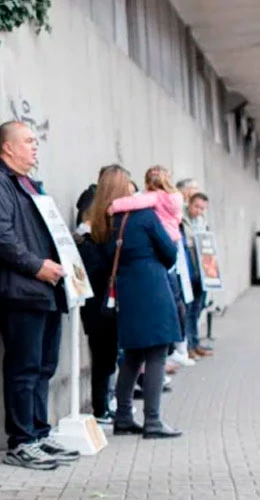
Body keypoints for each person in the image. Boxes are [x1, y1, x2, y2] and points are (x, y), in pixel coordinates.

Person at [0, 121, 77, 470]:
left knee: (44, 366)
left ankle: (39, 434)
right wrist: (36, 266)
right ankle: (21, 441)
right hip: (20, 290)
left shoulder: (27, 183)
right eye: (29, 141)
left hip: (44, 290)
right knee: (24, 367)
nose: (35, 147)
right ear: (7, 148)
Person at [89, 167, 183, 439]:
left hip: (126, 290)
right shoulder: (144, 215)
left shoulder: (104, 221)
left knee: (132, 355)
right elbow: (169, 253)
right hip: (152, 287)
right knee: (156, 352)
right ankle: (153, 420)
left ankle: (123, 417)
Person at [74, 165, 129, 424]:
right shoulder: (108, 225)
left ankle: (104, 405)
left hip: (98, 300)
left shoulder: (95, 225)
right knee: (104, 356)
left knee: (105, 356)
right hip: (102, 300)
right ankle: (101, 408)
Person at [182, 192, 212, 358]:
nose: (199, 211)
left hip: (202, 270)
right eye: (197, 207)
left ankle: (195, 342)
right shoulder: (182, 218)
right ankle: (188, 346)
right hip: (189, 268)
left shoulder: (202, 221)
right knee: (188, 309)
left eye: (202, 209)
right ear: (189, 203)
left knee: (198, 307)